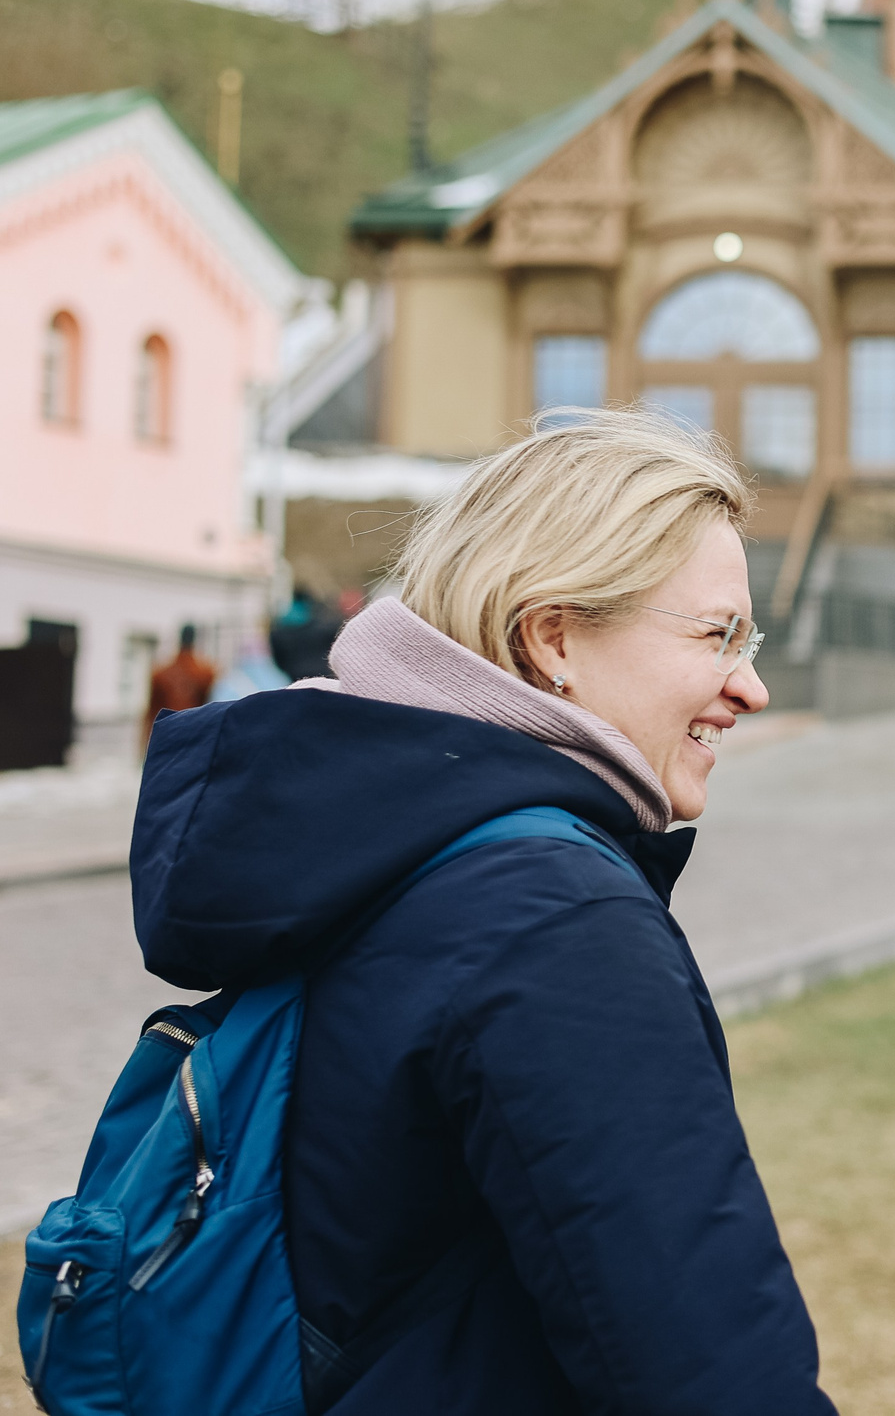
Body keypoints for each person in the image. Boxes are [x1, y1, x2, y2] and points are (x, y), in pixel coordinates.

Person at [130, 409, 836, 1415]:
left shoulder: (387, 837)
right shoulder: (552, 921)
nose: (750, 685)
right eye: (717, 634)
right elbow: (708, 1368)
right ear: (553, 637)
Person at [141, 624, 217, 745]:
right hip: (193, 737)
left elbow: (151, 712)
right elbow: (211, 711)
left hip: (167, 736)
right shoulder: (206, 672)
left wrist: (145, 744)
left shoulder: (161, 673)